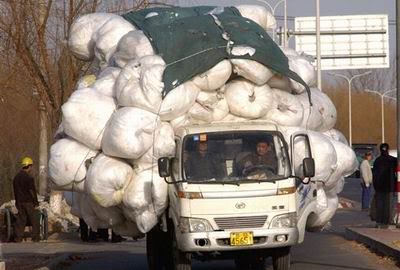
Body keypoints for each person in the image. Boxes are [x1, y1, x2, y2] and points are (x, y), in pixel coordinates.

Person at [13, 157, 40, 242]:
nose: (31, 168)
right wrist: (36, 202)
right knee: (34, 219)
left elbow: (15, 191)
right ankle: (35, 238)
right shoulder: (29, 177)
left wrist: (17, 202)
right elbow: (32, 191)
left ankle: (18, 238)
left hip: (19, 202)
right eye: (31, 166)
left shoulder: (16, 177)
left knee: (21, 220)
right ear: (29, 166)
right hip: (28, 202)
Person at [372, 143, 397, 228]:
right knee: (389, 205)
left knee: (380, 205)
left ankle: (379, 221)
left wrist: (375, 186)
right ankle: (387, 221)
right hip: (390, 186)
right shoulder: (393, 160)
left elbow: (374, 175)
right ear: (388, 149)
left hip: (379, 187)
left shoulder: (377, 160)